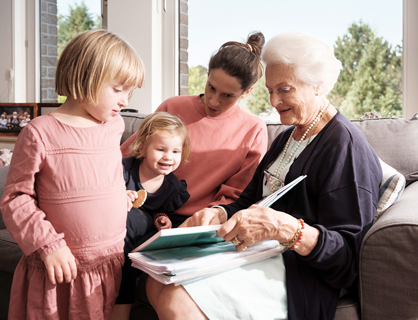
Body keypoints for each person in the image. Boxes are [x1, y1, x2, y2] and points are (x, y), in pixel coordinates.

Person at [147, 31, 383, 320]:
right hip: (258, 252)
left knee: (176, 299)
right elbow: (248, 202)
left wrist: (285, 228)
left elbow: (347, 259)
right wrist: (219, 213)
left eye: (284, 89)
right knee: (157, 279)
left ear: (318, 86)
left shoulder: (345, 147)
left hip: (298, 271)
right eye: (270, 90)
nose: (273, 101)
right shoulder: (288, 137)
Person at [0, 29, 144, 319]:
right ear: (85, 76)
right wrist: (48, 246)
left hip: (109, 263)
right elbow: (16, 199)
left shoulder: (113, 127)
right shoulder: (39, 133)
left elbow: (105, 173)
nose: (124, 100)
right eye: (118, 89)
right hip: (60, 267)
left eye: (130, 92)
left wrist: (119, 196)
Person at [121, 31, 268, 222]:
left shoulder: (253, 130)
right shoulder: (172, 107)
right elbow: (129, 154)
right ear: (207, 77)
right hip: (147, 209)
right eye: (211, 87)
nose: (213, 102)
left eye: (227, 95)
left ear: (246, 92)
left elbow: (237, 195)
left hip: (202, 221)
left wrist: (205, 221)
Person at [112, 112, 191, 319]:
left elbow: (162, 212)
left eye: (175, 151)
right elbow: (102, 193)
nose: (168, 157)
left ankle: (128, 270)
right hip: (119, 225)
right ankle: (123, 277)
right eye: (161, 149)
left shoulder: (173, 186)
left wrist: (161, 219)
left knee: (163, 240)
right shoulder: (125, 169)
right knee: (129, 219)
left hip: (145, 232)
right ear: (142, 148)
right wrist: (120, 195)